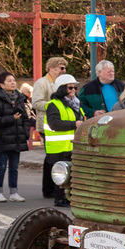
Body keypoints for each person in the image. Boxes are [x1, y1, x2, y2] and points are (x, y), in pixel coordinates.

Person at [0, 71, 31, 202]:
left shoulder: (19, 97)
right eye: (9, 81)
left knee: (14, 167)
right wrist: (11, 118)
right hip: (1, 138)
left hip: (17, 138)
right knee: (1, 166)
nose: (13, 83)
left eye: (13, 80)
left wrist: (25, 133)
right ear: (1, 84)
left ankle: (14, 192)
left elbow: (25, 119)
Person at [43, 74, 82, 207]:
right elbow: (54, 124)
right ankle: (59, 199)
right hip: (58, 147)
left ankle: (69, 198)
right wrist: (74, 124)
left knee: (71, 174)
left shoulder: (76, 104)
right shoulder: (54, 104)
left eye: (75, 87)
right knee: (62, 175)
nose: (73, 90)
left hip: (71, 146)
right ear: (61, 89)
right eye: (70, 87)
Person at [32, 57, 68, 137]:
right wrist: (55, 106)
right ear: (51, 69)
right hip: (47, 124)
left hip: (62, 123)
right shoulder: (41, 83)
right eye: (61, 68)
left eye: (65, 68)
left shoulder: (64, 83)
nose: (64, 71)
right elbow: (36, 103)